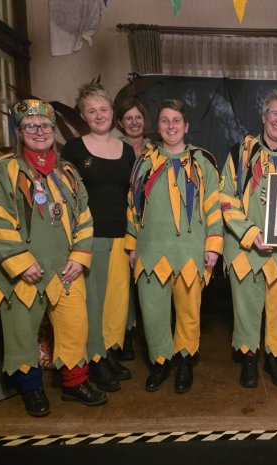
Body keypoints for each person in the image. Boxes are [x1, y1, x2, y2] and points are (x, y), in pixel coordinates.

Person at [0, 99, 107, 417]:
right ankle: (32, 389)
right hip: (24, 271)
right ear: (19, 131)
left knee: (74, 327)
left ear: (53, 130)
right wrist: (21, 263)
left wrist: (79, 256)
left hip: (65, 269)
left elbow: (85, 217)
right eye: (31, 126)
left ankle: (74, 384)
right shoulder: (5, 170)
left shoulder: (68, 172)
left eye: (45, 126)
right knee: (21, 333)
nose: (39, 131)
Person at [126, 99, 223, 394]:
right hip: (150, 250)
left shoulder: (202, 162)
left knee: (189, 312)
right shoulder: (144, 162)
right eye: (165, 120)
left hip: (190, 251)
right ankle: (160, 362)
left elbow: (213, 206)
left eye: (176, 120)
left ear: (186, 126)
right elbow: (133, 206)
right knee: (152, 312)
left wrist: (213, 246)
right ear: (158, 127)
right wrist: (132, 246)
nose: (171, 126)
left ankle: (184, 361)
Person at [220, 90, 277, 388]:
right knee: (246, 308)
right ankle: (249, 360)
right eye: (274, 113)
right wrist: (251, 233)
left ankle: (276, 360)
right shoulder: (239, 153)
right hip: (246, 249)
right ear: (263, 116)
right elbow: (225, 199)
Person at [60, 83, 136, 392]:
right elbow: (65, 196)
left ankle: (109, 351)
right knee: (92, 303)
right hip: (89, 239)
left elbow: (133, 197)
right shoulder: (74, 150)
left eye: (103, 109)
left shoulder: (126, 150)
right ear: (83, 116)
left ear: (112, 112)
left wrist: (134, 240)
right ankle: (94, 357)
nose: (99, 115)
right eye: (91, 111)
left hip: (121, 236)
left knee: (117, 302)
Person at [115, 97, 152, 361]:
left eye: (138, 117)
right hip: (121, 222)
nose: (134, 122)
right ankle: (125, 335)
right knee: (124, 285)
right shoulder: (114, 149)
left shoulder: (156, 149)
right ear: (120, 123)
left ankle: (150, 336)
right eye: (128, 118)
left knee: (149, 281)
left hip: (150, 224)